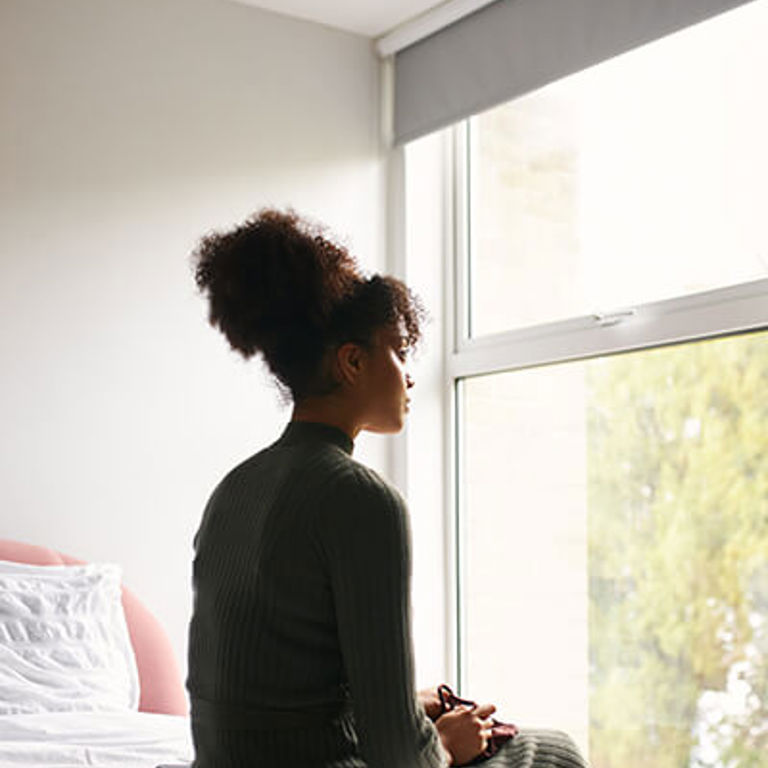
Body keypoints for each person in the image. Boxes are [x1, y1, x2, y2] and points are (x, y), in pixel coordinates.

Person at [186, 208, 588, 768]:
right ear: (352, 362)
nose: (409, 374)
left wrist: (409, 708)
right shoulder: (359, 498)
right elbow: (400, 756)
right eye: (399, 351)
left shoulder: (233, 487)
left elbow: (270, 696)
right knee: (553, 750)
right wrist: (444, 745)